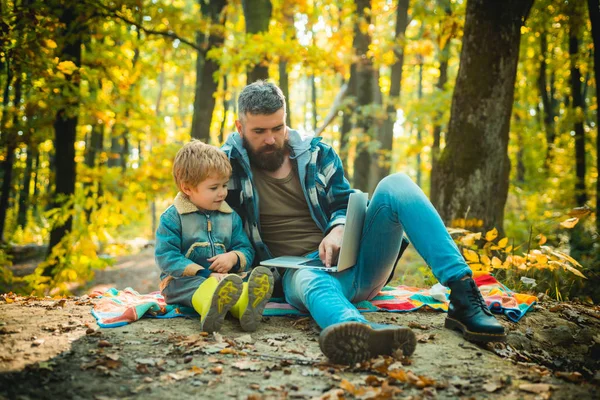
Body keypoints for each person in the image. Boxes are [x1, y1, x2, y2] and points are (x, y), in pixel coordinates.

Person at [222, 81, 506, 365]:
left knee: (397, 184)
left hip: (357, 262)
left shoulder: (317, 154)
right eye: (259, 131)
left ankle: (463, 295)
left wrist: (338, 228)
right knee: (311, 278)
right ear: (240, 127)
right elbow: (200, 211)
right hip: (299, 275)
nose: (271, 139)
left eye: (277, 128)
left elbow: (344, 201)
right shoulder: (226, 166)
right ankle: (361, 332)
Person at [155, 140, 274, 333]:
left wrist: (233, 257)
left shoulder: (230, 216)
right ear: (187, 188)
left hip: (226, 279)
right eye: (214, 188)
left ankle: (244, 306)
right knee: (193, 285)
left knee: (241, 281)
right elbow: (166, 257)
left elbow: (245, 248)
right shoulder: (173, 217)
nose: (222, 193)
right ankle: (210, 305)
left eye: (224, 185)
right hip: (183, 281)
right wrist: (205, 274)